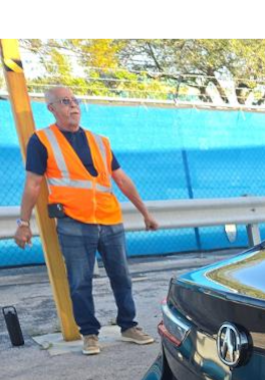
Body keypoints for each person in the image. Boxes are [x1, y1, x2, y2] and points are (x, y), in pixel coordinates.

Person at [14, 86, 159, 355]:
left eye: (75, 101)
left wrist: (145, 212)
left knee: (122, 277)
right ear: (52, 108)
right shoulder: (42, 140)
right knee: (80, 281)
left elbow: (121, 179)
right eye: (65, 102)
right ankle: (90, 334)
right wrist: (23, 223)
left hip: (109, 219)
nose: (73, 106)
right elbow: (33, 183)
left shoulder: (100, 141)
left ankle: (129, 326)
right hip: (73, 222)